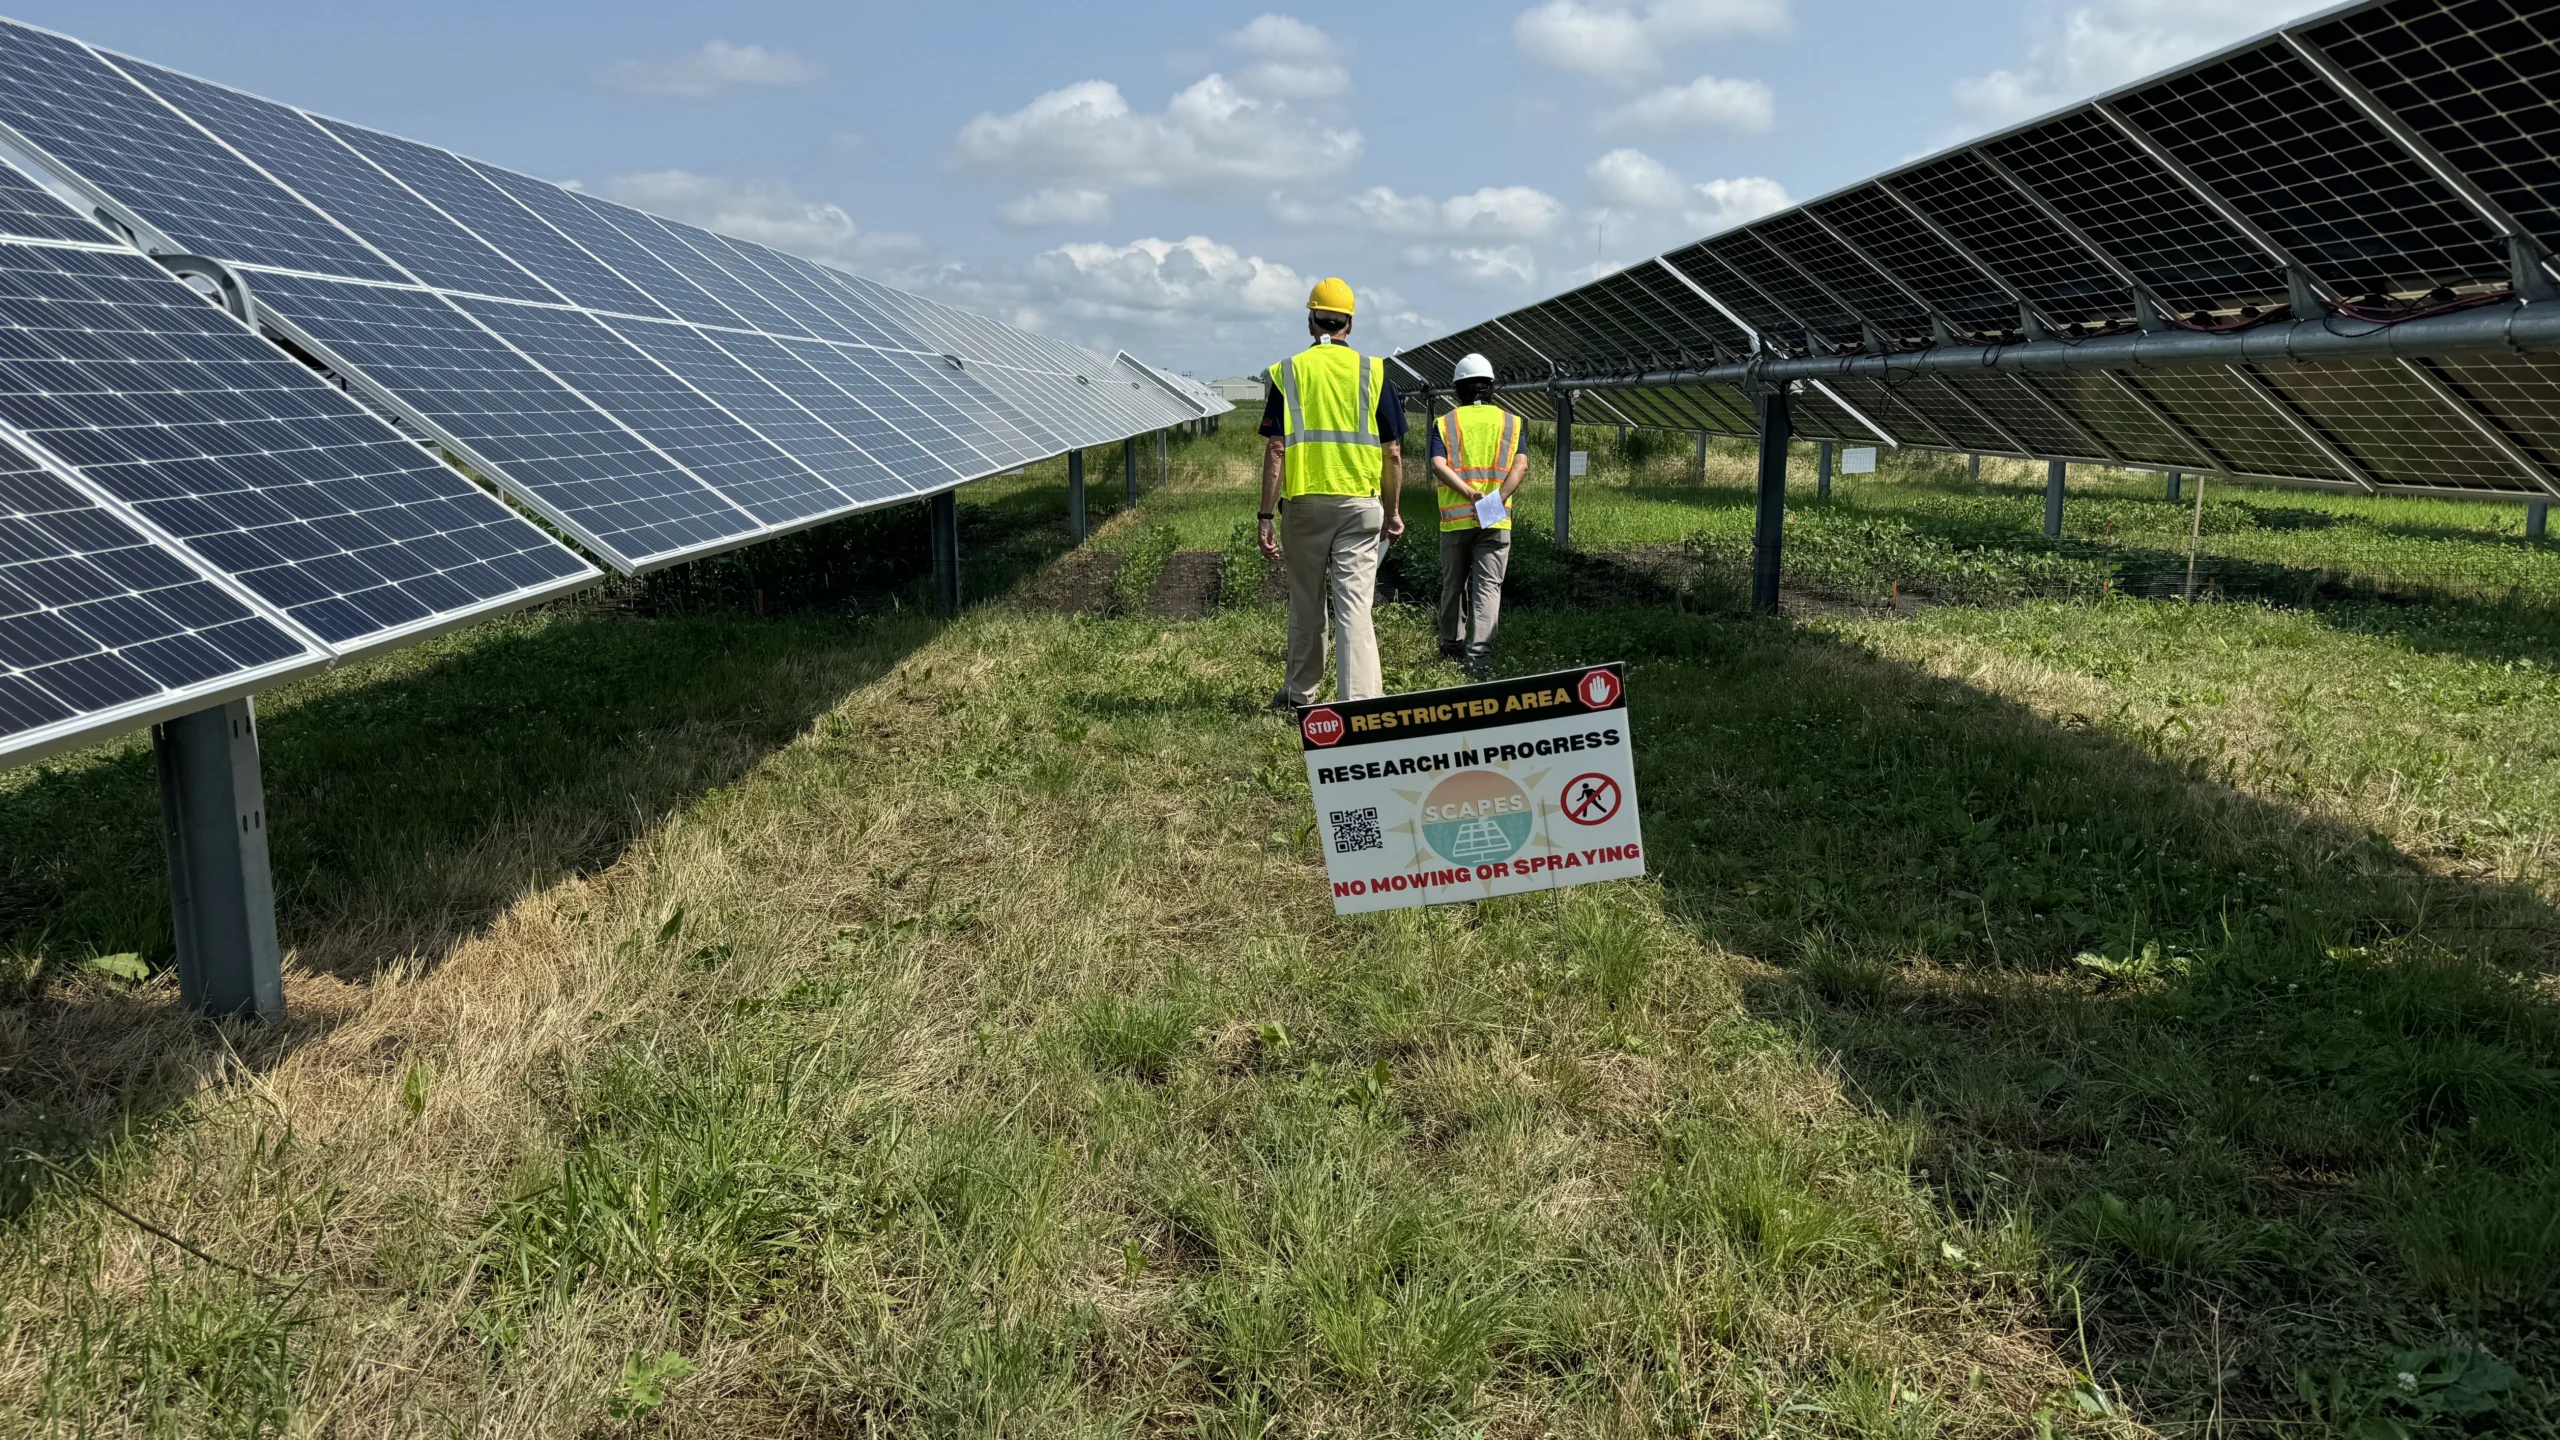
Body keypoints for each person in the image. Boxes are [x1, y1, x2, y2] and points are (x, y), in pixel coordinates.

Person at [1257, 277, 1405, 708]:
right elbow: (1392, 452)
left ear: (1311, 321)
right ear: (1350, 325)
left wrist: (1266, 515)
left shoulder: (1289, 372)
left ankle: (1301, 695)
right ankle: (1360, 705)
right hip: (1361, 507)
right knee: (1355, 607)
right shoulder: (1374, 372)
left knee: (1307, 602)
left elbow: (1276, 447)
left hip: (1303, 506)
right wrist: (1392, 512)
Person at [1427, 352, 1526, 673]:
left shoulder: (1445, 423)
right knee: (1488, 586)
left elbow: (1437, 464)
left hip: (1456, 519)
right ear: (1491, 388)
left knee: (1453, 583)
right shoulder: (1512, 422)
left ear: (1458, 390)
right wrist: (1496, 499)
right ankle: (1479, 657)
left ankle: (1451, 643)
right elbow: (1520, 466)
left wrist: (1468, 492)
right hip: (1495, 516)